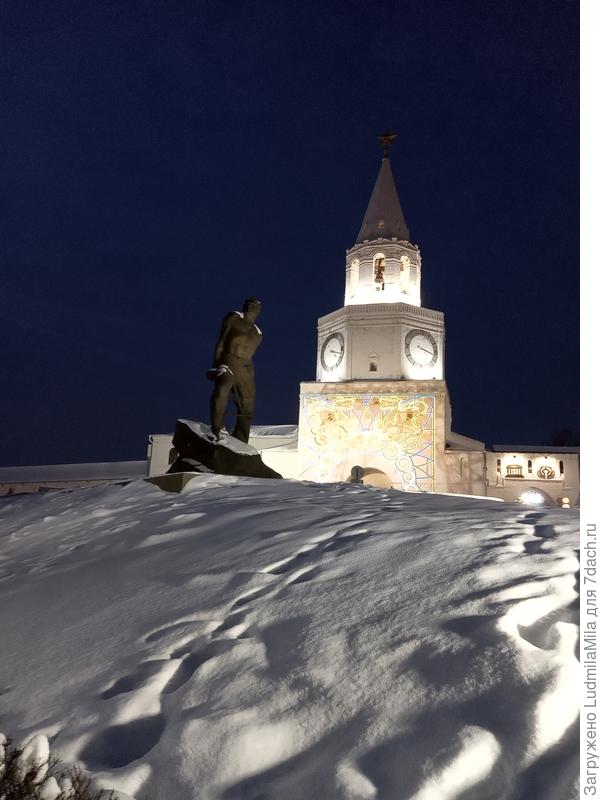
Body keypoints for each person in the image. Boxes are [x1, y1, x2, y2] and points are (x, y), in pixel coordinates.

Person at [208, 297, 262, 443]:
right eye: (248, 304)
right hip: (229, 360)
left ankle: (242, 441)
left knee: (248, 406)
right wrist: (215, 365)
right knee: (222, 389)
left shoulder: (258, 333)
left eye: (254, 305)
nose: (251, 306)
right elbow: (221, 342)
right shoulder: (234, 317)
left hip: (246, 368)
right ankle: (216, 429)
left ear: (259, 310)